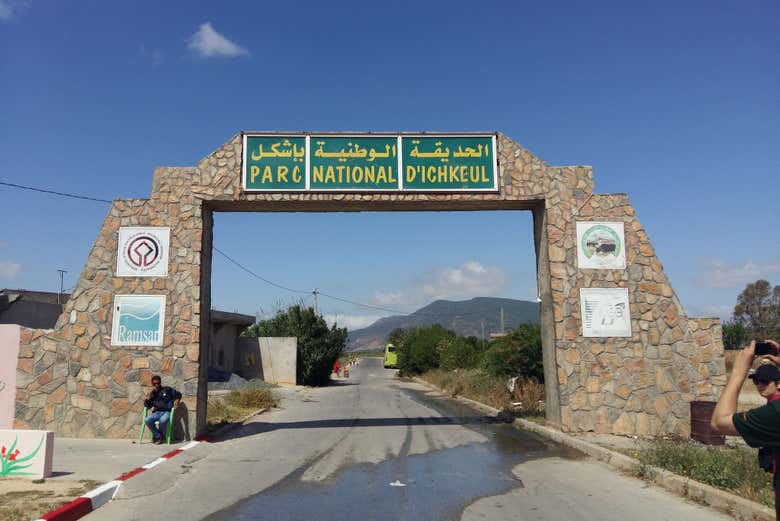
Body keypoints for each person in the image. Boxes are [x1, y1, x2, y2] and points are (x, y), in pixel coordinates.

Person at [711, 339, 780, 519]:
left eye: (765, 381)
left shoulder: (774, 413)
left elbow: (719, 423)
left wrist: (738, 372)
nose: (760, 385)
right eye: (757, 380)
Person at [143, 375, 182, 444]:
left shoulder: (167, 389)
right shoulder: (152, 394)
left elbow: (178, 394)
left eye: (158, 383)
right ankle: (159, 436)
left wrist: (177, 401)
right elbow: (147, 406)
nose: (157, 385)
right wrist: (147, 399)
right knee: (147, 420)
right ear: (152, 384)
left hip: (166, 412)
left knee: (162, 420)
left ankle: (158, 437)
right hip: (157, 413)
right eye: (154, 384)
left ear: (160, 383)